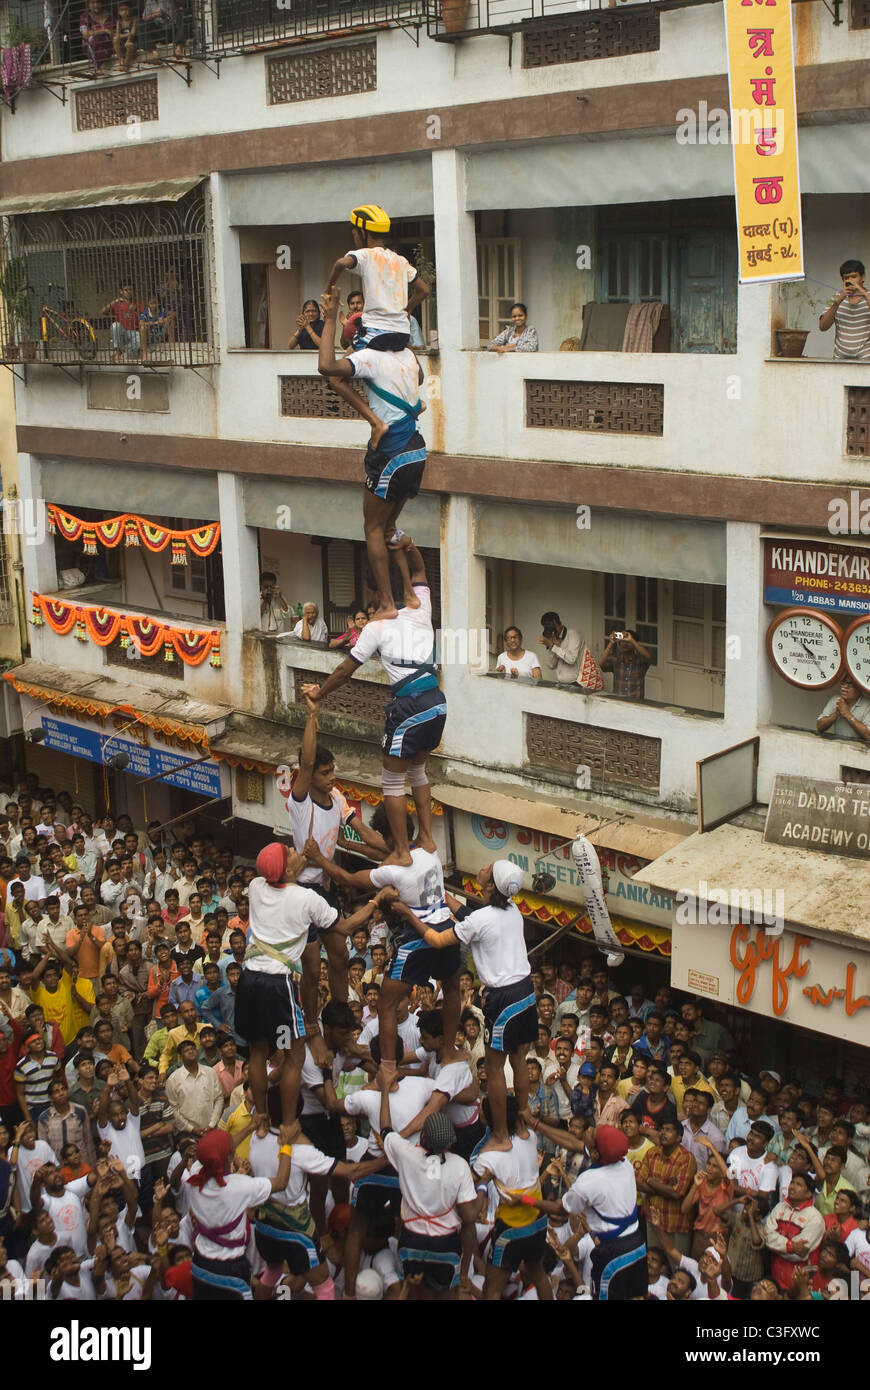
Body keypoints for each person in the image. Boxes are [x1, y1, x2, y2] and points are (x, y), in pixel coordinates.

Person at [302, 540, 445, 860]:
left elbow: (343, 671)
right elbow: (420, 567)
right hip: (437, 702)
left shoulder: (376, 627)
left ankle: (402, 853)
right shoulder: (420, 603)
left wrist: (318, 693)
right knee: (418, 772)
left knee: (392, 782)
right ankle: (426, 838)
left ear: (379, 592)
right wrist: (406, 545)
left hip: (410, 705)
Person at [383, 859, 533, 1153]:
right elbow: (469, 913)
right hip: (526, 991)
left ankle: (501, 1136)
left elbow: (437, 939)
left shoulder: (481, 920)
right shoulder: (512, 910)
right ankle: (523, 1120)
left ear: (490, 886)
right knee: (518, 1059)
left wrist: (408, 914)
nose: (484, 866)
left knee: (495, 1067)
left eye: (488, 868)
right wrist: (441, 896)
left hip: (502, 999)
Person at [233, 842, 384, 1125]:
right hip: (276, 987)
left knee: (258, 1050)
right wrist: (377, 900)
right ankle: (289, 1123)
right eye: (288, 852)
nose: (293, 848)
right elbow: (347, 928)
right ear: (288, 870)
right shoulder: (306, 899)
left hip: (249, 980)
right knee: (294, 1055)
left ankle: (262, 1115)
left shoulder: (255, 886)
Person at [307, 803, 456, 1077]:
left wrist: (318, 856)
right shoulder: (428, 847)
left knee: (385, 1004)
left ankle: (388, 1066)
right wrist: (347, 838)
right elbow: (372, 845)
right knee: (453, 988)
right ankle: (449, 1050)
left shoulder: (392, 869)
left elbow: (346, 876)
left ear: (389, 836)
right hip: (445, 927)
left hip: (415, 936)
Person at [318, 293, 426, 618]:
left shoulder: (368, 358)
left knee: (373, 529)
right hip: (417, 450)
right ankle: (408, 593)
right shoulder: (406, 354)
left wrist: (328, 317)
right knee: (389, 526)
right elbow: (418, 377)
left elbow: (327, 367)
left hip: (390, 452)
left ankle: (389, 603)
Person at [288, 692, 387, 1010]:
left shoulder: (339, 797)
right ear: (310, 776)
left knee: (342, 955)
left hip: (326, 888)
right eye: (325, 773)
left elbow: (364, 835)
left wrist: (395, 849)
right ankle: (311, 1019)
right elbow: (305, 761)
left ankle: (341, 1011)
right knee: (313, 967)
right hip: (303, 890)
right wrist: (312, 715)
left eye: (333, 772)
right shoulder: (300, 801)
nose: (332, 778)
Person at [324, 204, 430, 447]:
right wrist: (408, 308)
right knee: (407, 368)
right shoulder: (401, 260)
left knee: (335, 378)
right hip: (401, 335)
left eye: (354, 233)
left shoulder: (365, 255)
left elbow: (340, 263)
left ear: (362, 233)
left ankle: (376, 422)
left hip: (374, 335)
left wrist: (328, 289)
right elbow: (424, 290)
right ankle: (417, 403)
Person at [378, 1083, 477, 1301]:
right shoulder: (460, 1165)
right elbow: (469, 1217)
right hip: (446, 1243)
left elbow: (385, 1130)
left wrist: (384, 1091)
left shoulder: (406, 1154)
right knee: (444, 1295)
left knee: (411, 1294)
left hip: (412, 1240)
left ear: (423, 1136)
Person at [186, 1126, 296, 1299]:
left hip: (200, 1265)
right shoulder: (239, 1186)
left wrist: (251, 1126)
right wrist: (286, 1146)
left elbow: (222, 1151)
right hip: (229, 1270)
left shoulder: (196, 1173)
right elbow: (281, 1182)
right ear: (229, 1157)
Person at [471, 1095, 551, 1300]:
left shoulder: (486, 1158)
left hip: (510, 1229)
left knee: (492, 1288)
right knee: (539, 1276)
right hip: (539, 1221)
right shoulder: (531, 1137)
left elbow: (475, 1196)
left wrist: (482, 1183)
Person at [763, 1171, 825, 1293]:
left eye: (798, 1184)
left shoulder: (815, 1218)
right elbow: (766, 1236)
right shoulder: (780, 1207)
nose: (792, 1186)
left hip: (798, 1284)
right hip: (775, 1277)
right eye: (792, 1182)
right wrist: (790, 1246)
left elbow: (799, 1254)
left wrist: (775, 1246)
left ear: (808, 1194)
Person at [818, 258, 870, 361]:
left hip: (866, 359)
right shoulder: (836, 297)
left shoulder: (868, 296)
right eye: (847, 278)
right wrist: (839, 300)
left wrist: (863, 293)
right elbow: (823, 326)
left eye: (854, 277)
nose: (850, 280)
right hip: (840, 359)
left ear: (862, 277)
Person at [599, 629, 653, 699]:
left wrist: (632, 640)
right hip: (618, 702)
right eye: (622, 641)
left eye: (628, 642)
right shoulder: (616, 660)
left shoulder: (640, 661)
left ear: (634, 644)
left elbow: (648, 656)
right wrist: (611, 643)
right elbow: (601, 664)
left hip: (636, 703)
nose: (624, 644)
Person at [816, 676, 870, 744]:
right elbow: (819, 726)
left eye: (850, 684)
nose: (844, 687)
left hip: (861, 751)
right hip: (839, 748)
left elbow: (868, 735)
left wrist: (848, 714)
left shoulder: (868, 705)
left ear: (860, 687)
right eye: (843, 683)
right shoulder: (836, 700)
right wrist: (836, 714)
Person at [99, 283, 143, 361]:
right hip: (122, 333)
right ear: (121, 291)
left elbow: (142, 318)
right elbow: (102, 312)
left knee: (140, 339)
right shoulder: (118, 303)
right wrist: (114, 301)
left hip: (133, 333)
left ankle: (120, 352)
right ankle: (118, 349)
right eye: (126, 290)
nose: (129, 292)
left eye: (130, 290)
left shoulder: (137, 303)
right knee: (115, 325)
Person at [538, 611, 582, 684]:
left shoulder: (573, 634)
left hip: (576, 683)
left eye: (551, 626)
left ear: (559, 623)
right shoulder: (554, 638)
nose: (550, 629)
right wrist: (552, 645)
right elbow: (551, 665)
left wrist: (553, 646)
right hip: (561, 683)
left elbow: (572, 659)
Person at [113, 3, 138, 73]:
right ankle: (121, 60)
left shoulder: (134, 20)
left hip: (133, 42)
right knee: (115, 40)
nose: (124, 12)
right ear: (119, 12)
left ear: (130, 10)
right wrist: (127, 35)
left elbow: (133, 33)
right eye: (122, 10)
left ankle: (125, 65)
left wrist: (126, 36)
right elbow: (117, 36)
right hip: (122, 44)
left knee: (129, 45)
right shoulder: (119, 22)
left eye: (126, 9)